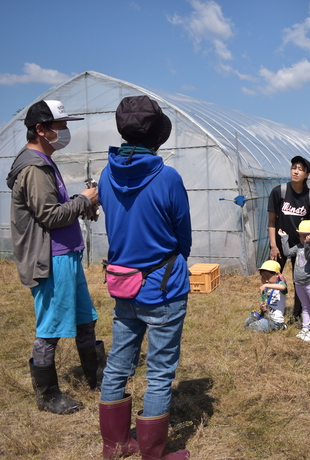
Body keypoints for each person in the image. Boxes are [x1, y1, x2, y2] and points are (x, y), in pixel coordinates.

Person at [98, 96, 191, 460]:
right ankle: (154, 452)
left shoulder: (106, 174)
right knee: (160, 371)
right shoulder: (167, 177)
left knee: (119, 363)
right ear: (157, 137)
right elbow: (182, 233)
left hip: (123, 285)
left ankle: (115, 444)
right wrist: (176, 258)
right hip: (163, 286)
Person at [6, 99, 102, 415]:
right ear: (41, 129)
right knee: (50, 328)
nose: (65, 132)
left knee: (86, 319)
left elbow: (59, 211)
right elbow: (50, 216)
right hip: (52, 260)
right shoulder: (33, 168)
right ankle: (47, 396)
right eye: (60, 126)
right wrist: (82, 199)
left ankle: (97, 377)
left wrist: (82, 206)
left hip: (66, 255)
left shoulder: (45, 162)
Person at [267, 156, 310, 323]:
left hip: (301, 247)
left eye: (300, 169)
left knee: (301, 280)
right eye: (294, 168)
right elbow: (271, 221)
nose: (296, 171)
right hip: (279, 244)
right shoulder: (279, 192)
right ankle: (270, 309)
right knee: (271, 275)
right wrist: (273, 245)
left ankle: (297, 315)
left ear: (307, 174)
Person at [280, 220, 310, 342]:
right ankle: (305, 328)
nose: (301, 239)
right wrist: (284, 238)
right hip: (299, 282)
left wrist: (307, 244)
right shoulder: (298, 247)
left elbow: (309, 256)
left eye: (304, 236)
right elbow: (287, 252)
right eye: (300, 236)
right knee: (305, 306)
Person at [244, 260, 289, 332]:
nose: (266, 280)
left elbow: (283, 287)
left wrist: (265, 285)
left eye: (268, 277)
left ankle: (281, 326)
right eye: (263, 278)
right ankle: (263, 323)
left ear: (277, 274)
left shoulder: (280, 284)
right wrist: (262, 304)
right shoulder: (266, 289)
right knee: (247, 322)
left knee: (252, 327)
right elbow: (262, 299)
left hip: (275, 320)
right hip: (266, 317)